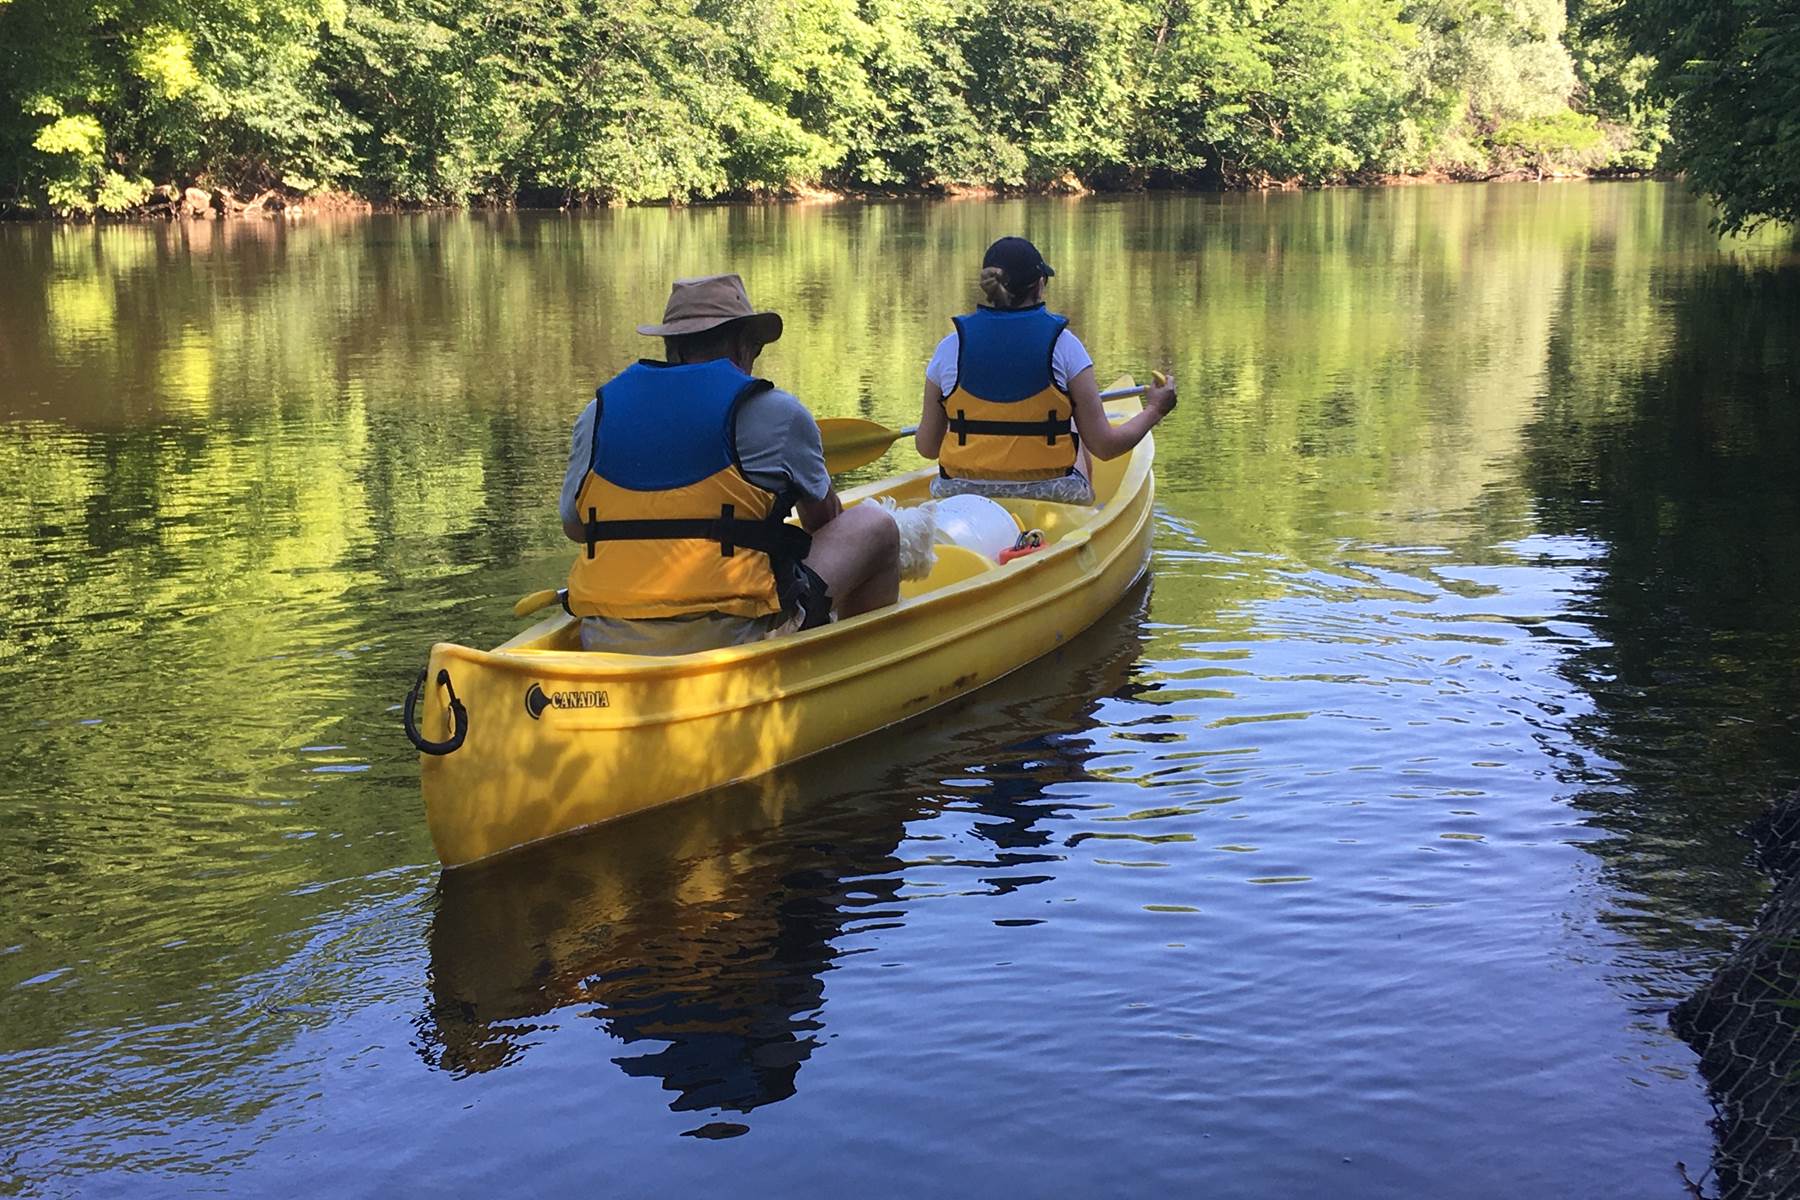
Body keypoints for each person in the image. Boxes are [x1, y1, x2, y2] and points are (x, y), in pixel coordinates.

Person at [560, 273, 899, 654]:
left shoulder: (596, 414)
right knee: (878, 525)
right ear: (742, 345)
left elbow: (575, 527)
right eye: (755, 347)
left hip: (606, 639)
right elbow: (823, 522)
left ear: (672, 347)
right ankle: (855, 668)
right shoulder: (777, 413)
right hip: (730, 643)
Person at [915, 236, 1176, 506]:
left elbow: (927, 447)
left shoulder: (950, 347)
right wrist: (1155, 410)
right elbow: (1105, 446)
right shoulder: (1064, 345)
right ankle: (1087, 523)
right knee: (1072, 420)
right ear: (1039, 285)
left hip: (960, 495)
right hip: (1050, 496)